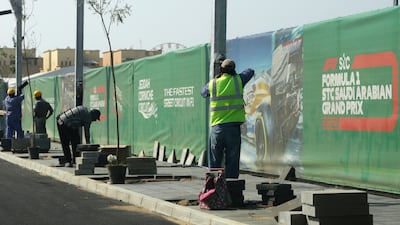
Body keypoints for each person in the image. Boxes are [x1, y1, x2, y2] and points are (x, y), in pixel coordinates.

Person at [201, 58, 254, 179]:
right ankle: (232, 189)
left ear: (221, 69)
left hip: (217, 129)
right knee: (232, 162)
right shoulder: (239, 80)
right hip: (233, 130)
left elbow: (203, 92)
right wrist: (235, 73)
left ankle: (213, 190)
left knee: (214, 163)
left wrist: (217, 77)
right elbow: (250, 71)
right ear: (234, 70)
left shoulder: (213, 83)